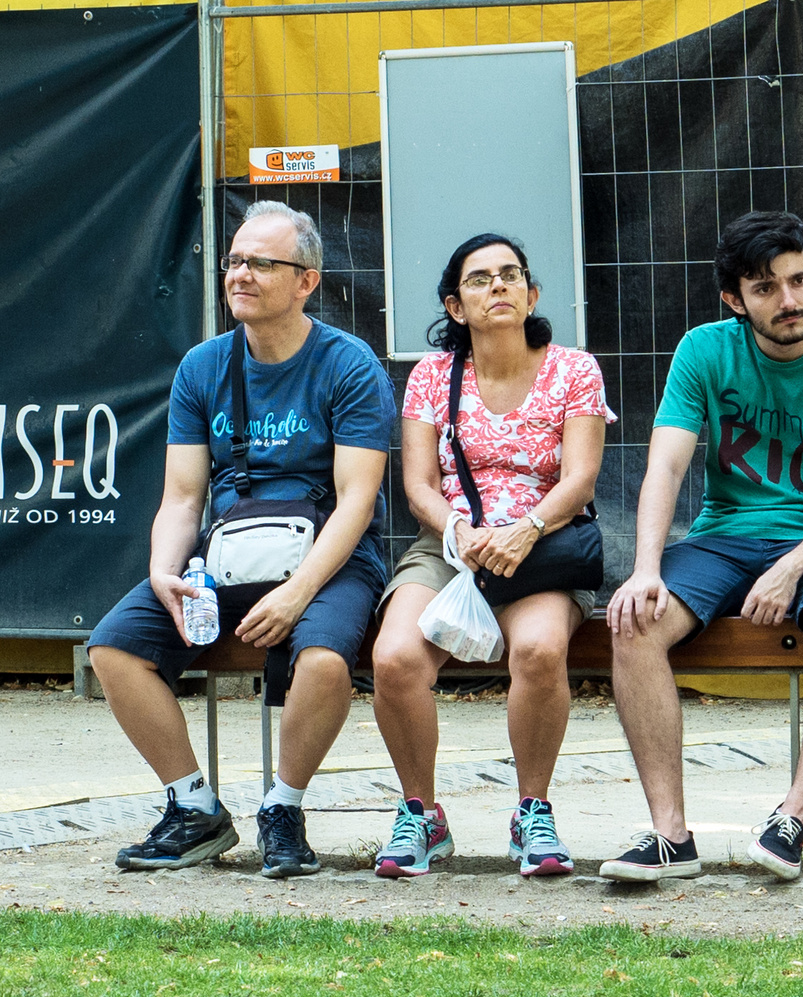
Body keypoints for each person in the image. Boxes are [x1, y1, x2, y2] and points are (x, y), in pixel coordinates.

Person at [88, 201, 394, 877]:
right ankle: (194, 809)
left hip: (330, 560)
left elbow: (357, 500)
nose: (240, 274)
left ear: (306, 281)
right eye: (233, 260)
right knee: (113, 648)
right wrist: (167, 571)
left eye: (261, 262)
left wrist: (298, 593)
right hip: (225, 555)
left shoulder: (348, 364)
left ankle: (282, 811)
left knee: (322, 660)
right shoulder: (202, 366)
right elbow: (182, 496)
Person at [602, 210, 803, 882]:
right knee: (632, 620)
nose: (788, 301)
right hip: (724, 537)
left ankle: (792, 817)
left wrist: (792, 568)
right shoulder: (704, 350)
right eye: (766, 288)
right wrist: (644, 568)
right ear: (736, 299)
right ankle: (669, 834)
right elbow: (666, 469)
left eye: (799, 281)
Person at [368, 233, 613, 879]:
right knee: (393, 659)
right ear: (456, 306)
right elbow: (419, 484)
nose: (497, 287)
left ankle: (532, 812)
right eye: (480, 280)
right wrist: (460, 532)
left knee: (537, 650)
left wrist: (524, 529)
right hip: (451, 544)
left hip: (545, 544)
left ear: (532, 294)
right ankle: (421, 813)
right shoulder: (432, 375)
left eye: (510, 276)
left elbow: (580, 480)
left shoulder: (574, 369)